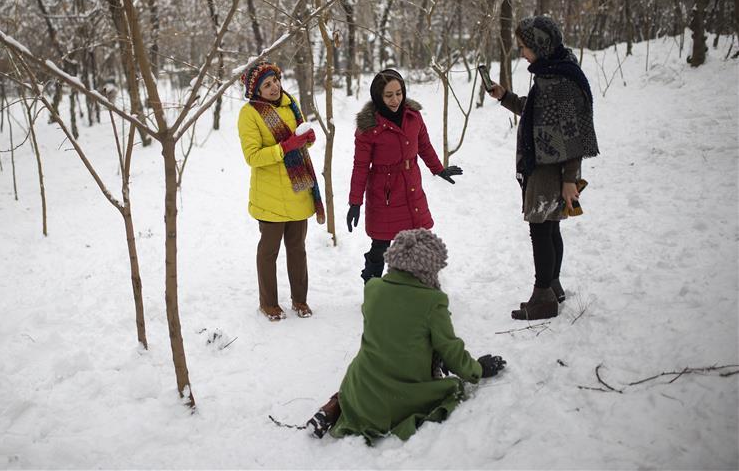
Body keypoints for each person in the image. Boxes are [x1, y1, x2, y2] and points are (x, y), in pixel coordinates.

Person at [305, 229, 506, 443]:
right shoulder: (432, 301)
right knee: (451, 389)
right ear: (429, 267)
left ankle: (334, 407)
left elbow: (392, 332)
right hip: (398, 395)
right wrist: (478, 369)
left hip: (361, 384)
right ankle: (355, 409)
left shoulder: (373, 288)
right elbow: (450, 350)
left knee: (361, 381)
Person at [487, 16, 599, 320]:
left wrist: (569, 181)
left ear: (540, 45)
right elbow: (537, 111)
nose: (522, 52)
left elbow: (572, 136)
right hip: (545, 166)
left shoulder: (561, 82)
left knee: (541, 229)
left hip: (551, 170)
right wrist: (505, 97)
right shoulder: (552, 73)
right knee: (550, 227)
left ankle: (542, 298)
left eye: (524, 47)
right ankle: (553, 286)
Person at [346, 68, 462, 283]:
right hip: (384, 193)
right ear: (378, 96)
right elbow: (360, 166)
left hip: (411, 186)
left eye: (399, 93)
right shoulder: (368, 127)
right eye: (388, 95)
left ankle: (416, 287)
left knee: (418, 240)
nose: (395, 99)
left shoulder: (412, 116)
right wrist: (355, 202)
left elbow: (424, 146)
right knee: (381, 244)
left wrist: (438, 169)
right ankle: (372, 287)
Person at [238, 61, 325, 322]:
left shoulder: (290, 103)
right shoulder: (249, 113)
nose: (274, 86)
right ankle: (268, 304)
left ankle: (300, 300)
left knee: (297, 249)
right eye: (267, 84)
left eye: (275, 80)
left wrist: (306, 141)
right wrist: (286, 147)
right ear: (256, 90)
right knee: (269, 252)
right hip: (270, 197)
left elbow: (298, 141)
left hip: (299, 190)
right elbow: (252, 156)